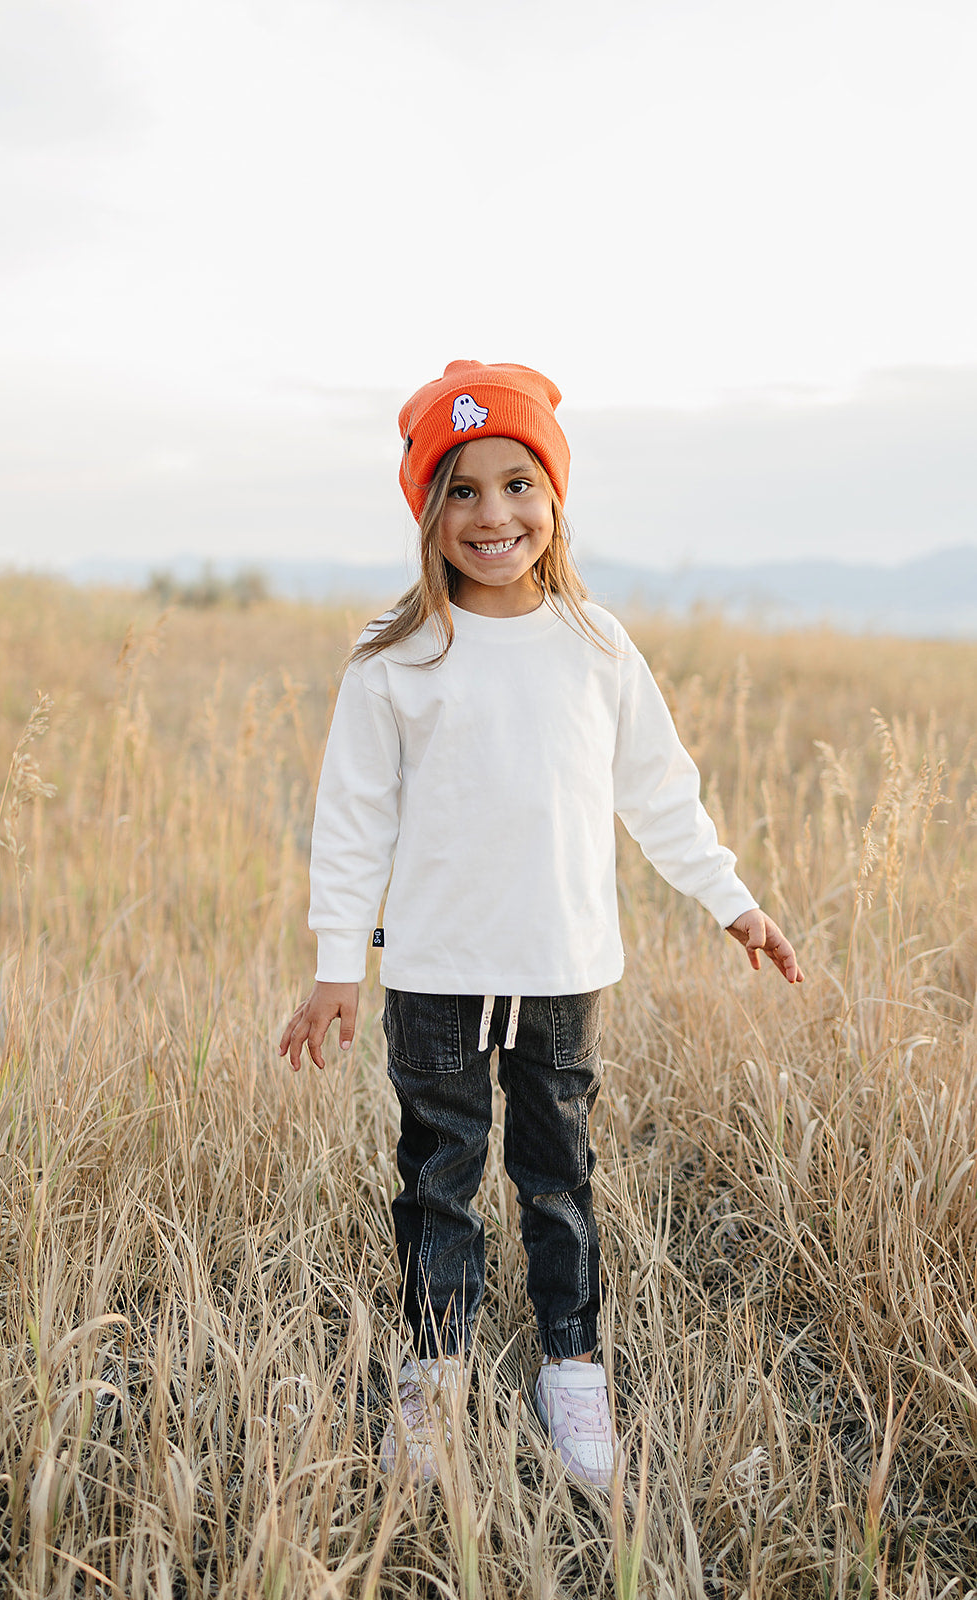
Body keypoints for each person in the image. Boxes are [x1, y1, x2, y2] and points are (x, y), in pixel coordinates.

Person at [279, 359, 802, 1490]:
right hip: (431, 977)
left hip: (561, 972)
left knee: (558, 1179)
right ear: (428, 510)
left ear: (552, 495)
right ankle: (434, 1378)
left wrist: (731, 899)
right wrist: (336, 966)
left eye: (517, 483)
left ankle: (570, 1366)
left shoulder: (595, 644)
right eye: (460, 490)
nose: (492, 514)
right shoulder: (395, 657)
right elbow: (352, 820)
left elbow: (659, 791)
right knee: (437, 1181)